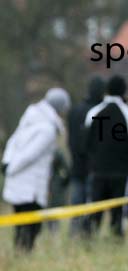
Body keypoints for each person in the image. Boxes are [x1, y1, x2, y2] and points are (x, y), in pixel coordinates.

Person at [2, 88, 70, 251]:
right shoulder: (48, 129)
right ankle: (24, 255)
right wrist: (11, 168)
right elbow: (30, 154)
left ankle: (20, 254)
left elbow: (13, 141)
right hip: (31, 187)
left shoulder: (30, 118)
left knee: (21, 224)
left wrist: (7, 162)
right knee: (31, 227)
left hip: (18, 182)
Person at [85, 75, 128, 238]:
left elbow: (87, 143)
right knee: (118, 213)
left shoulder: (94, 112)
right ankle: (116, 242)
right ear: (124, 91)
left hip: (98, 171)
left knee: (94, 211)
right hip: (120, 173)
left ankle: (89, 241)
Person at [67, 76, 105, 236]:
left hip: (76, 166)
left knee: (77, 206)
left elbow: (71, 141)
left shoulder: (74, 111)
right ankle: (87, 236)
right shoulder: (100, 112)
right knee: (91, 206)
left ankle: (74, 236)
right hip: (94, 168)